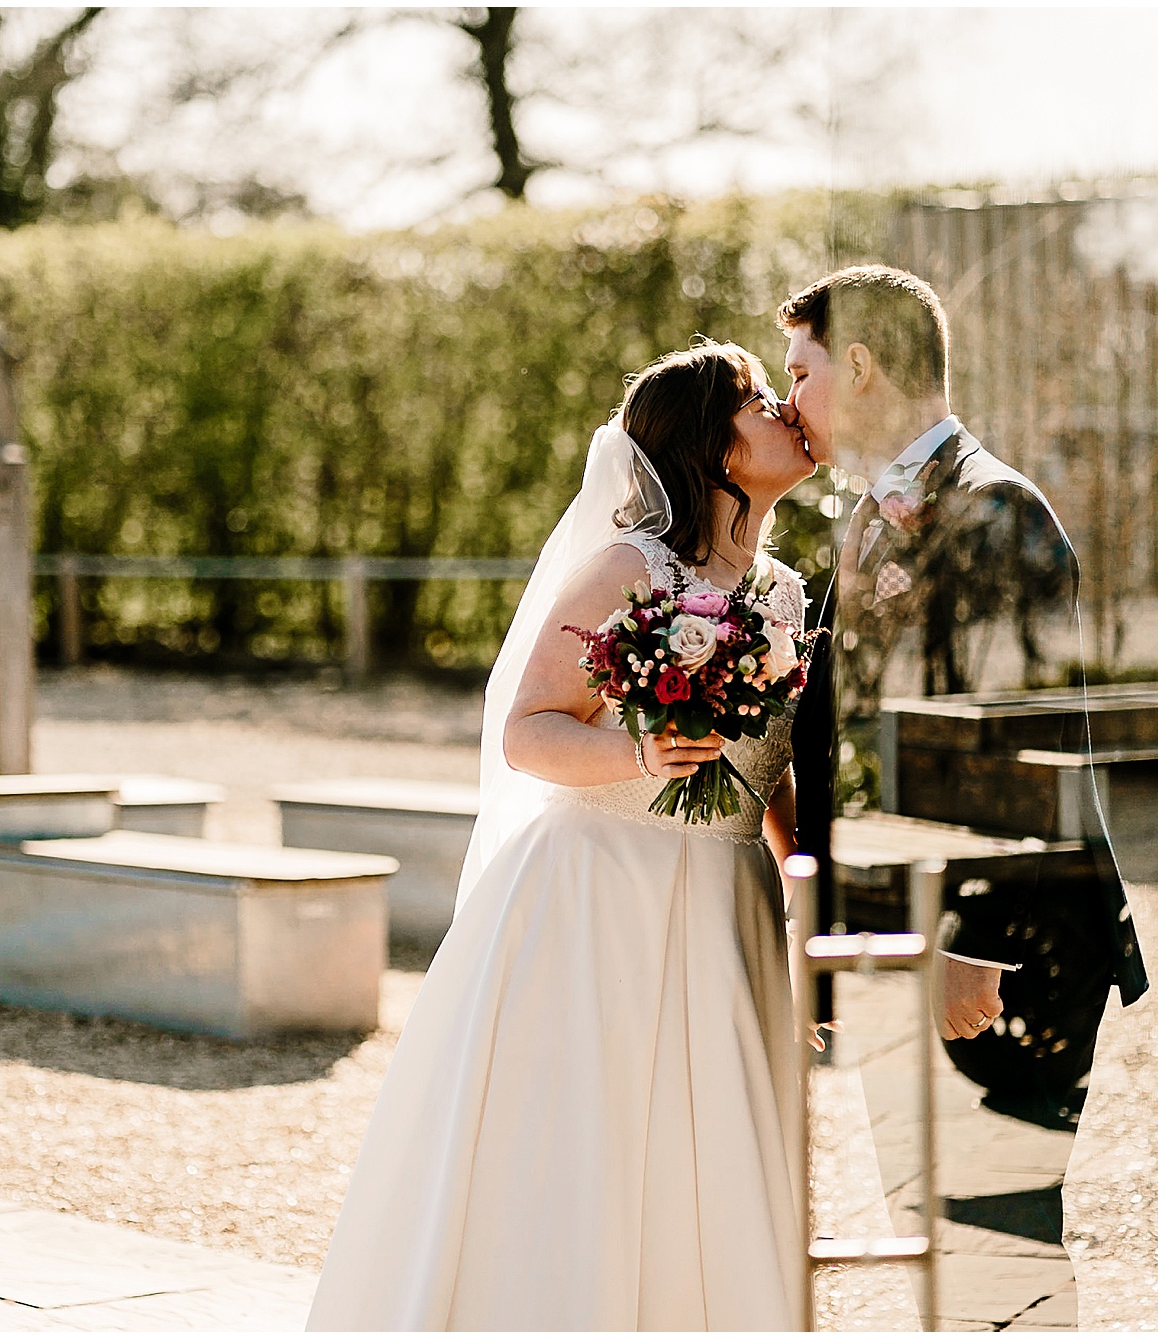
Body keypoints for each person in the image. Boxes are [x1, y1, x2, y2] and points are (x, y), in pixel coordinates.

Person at [307, 341, 818, 1330]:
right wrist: (642, 755)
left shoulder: (786, 592)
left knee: (708, 1151)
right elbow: (527, 728)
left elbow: (768, 761)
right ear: (710, 447)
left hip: (726, 898)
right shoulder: (628, 568)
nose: (784, 413)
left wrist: (805, 886)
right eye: (759, 400)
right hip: (597, 893)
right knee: (585, 1146)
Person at [780, 264, 1148, 1098]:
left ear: (863, 366)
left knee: (985, 1216)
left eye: (802, 373)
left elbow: (1016, 742)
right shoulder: (879, 506)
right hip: (910, 924)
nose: (788, 398)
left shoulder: (995, 507)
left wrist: (970, 947)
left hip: (999, 967)